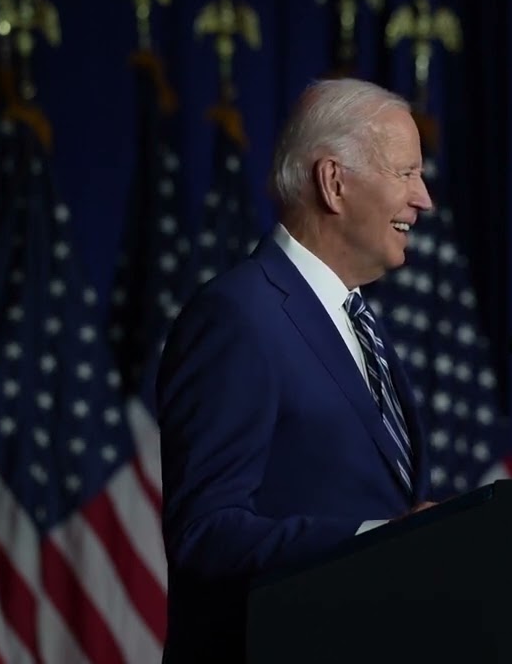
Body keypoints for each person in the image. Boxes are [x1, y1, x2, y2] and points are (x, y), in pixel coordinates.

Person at [156, 78, 437, 663]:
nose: (424, 198)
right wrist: (379, 542)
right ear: (334, 182)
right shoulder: (238, 316)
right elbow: (204, 532)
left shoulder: (359, 322)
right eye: (406, 173)